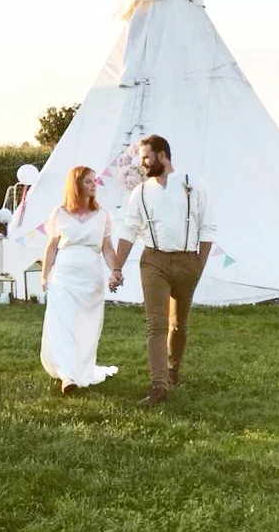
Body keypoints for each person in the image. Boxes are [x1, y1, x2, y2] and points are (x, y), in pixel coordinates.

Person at [109, 134, 216, 407]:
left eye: (146, 157)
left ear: (162, 155)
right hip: (153, 261)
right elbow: (129, 230)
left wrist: (199, 263)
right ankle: (159, 386)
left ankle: (173, 370)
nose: (142, 163)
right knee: (156, 324)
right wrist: (117, 267)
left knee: (178, 323)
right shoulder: (141, 192)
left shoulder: (194, 184)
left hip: (187, 261)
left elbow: (208, 227)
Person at [40, 166, 119, 394]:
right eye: (88, 181)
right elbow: (51, 247)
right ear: (76, 185)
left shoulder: (102, 215)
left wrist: (115, 270)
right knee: (63, 323)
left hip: (91, 276)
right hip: (64, 276)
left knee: (85, 326)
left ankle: (80, 367)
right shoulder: (59, 213)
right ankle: (67, 376)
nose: (94, 185)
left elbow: (107, 247)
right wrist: (45, 275)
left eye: (95, 181)